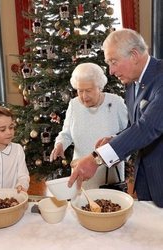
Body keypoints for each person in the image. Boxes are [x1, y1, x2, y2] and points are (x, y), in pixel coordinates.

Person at [68, 28, 163, 208]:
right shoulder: (132, 83)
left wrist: (97, 158)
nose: (110, 71)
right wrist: (116, 138)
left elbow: (147, 128)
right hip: (146, 180)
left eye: (113, 62)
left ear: (134, 55)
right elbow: (135, 126)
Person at [50, 63, 128, 189]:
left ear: (99, 87)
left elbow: (128, 135)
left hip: (109, 175)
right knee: (82, 206)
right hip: (81, 172)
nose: (84, 96)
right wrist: (60, 144)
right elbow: (66, 133)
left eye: (88, 90)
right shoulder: (74, 105)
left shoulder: (115, 103)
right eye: (80, 91)